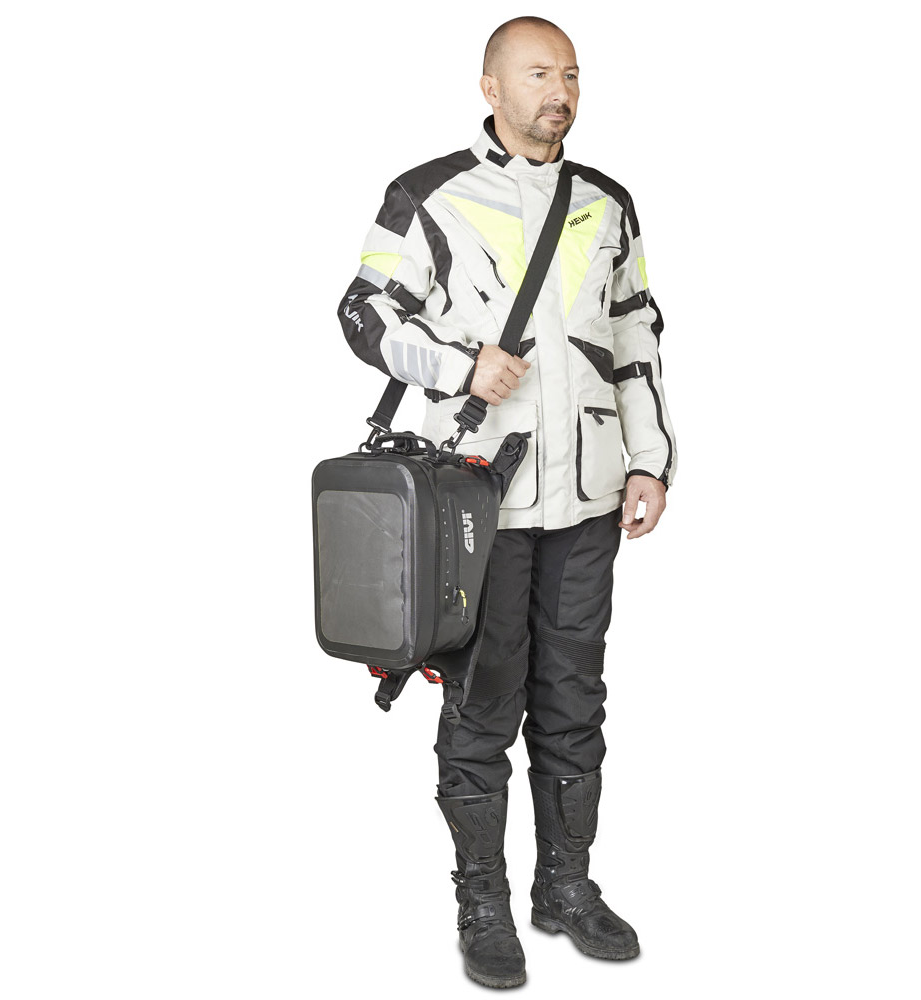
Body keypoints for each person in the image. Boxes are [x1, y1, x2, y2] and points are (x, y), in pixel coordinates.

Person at [337, 15, 677, 989]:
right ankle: (480, 899)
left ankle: (564, 885)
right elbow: (362, 312)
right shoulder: (429, 194)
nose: (558, 90)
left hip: (588, 498)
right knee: (484, 703)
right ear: (490, 87)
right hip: (477, 499)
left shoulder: (606, 203)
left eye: (569, 74)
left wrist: (650, 459)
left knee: (574, 700)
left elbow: (637, 332)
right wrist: (457, 366)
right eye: (536, 73)